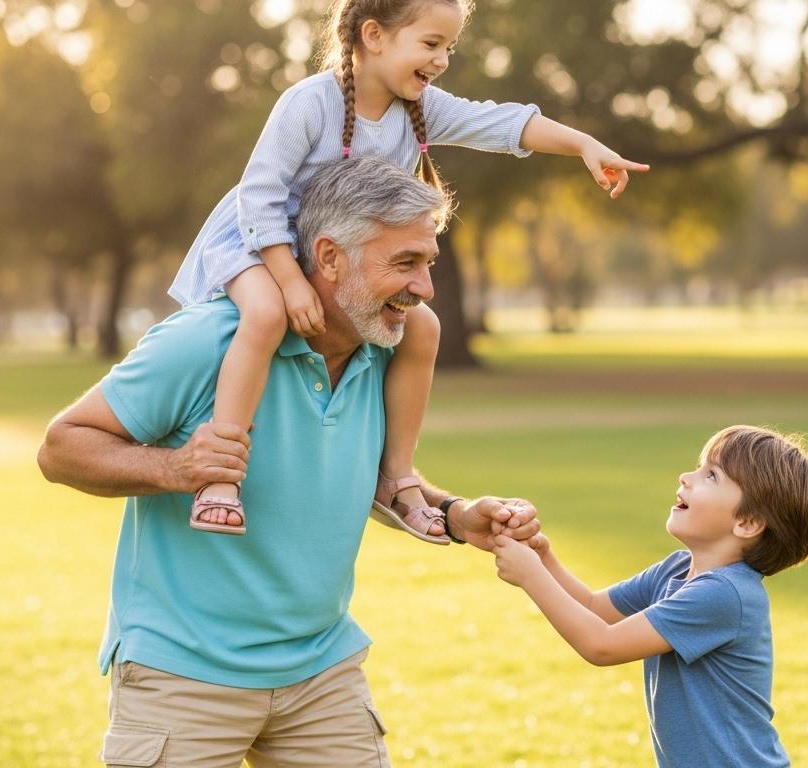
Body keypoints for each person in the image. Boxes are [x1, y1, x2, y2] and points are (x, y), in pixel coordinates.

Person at [38, 155, 540, 768]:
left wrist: (457, 516)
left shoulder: (386, 350)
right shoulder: (207, 342)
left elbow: (380, 481)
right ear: (328, 258)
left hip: (321, 672)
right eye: (404, 263)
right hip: (183, 675)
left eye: (427, 263)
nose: (425, 288)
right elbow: (61, 447)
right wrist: (176, 469)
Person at [174, 0, 649, 540]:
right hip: (263, 242)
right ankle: (218, 476)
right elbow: (258, 199)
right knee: (264, 315)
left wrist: (584, 144)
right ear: (374, 35)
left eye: (448, 47)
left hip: (332, 255)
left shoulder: (419, 107)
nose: (443, 59)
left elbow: (504, 123)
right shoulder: (308, 103)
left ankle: (396, 478)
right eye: (430, 44)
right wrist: (287, 282)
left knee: (424, 327)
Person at [491, 425, 808, 768]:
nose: (687, 476)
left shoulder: (726, 594)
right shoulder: (677, 570)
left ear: (747, 523)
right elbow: (594, 608)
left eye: (711, 476)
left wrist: (530, 575)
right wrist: (542, 556)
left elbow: (601, 645)